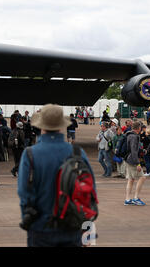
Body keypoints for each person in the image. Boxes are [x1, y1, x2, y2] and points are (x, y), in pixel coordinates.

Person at [17, 104, 96, 247]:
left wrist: (28, 222)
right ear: (62, 126)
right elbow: (89, 193)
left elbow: (24, 194)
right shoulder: (77, 152)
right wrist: (87, 230)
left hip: (41, 228)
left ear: (41, 126)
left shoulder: (30, 154)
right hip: (72, 227)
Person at [124, 121, 147, 206]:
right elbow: (134, 151)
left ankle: (127, 199)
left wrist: (141, 150)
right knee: (142, 177)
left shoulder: (128, 135)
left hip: (128, 159)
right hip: (133, 160)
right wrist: (138, 163)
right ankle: (136, 198)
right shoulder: (134, 137)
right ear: (139, 128)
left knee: (131, 179)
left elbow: (131, 148)